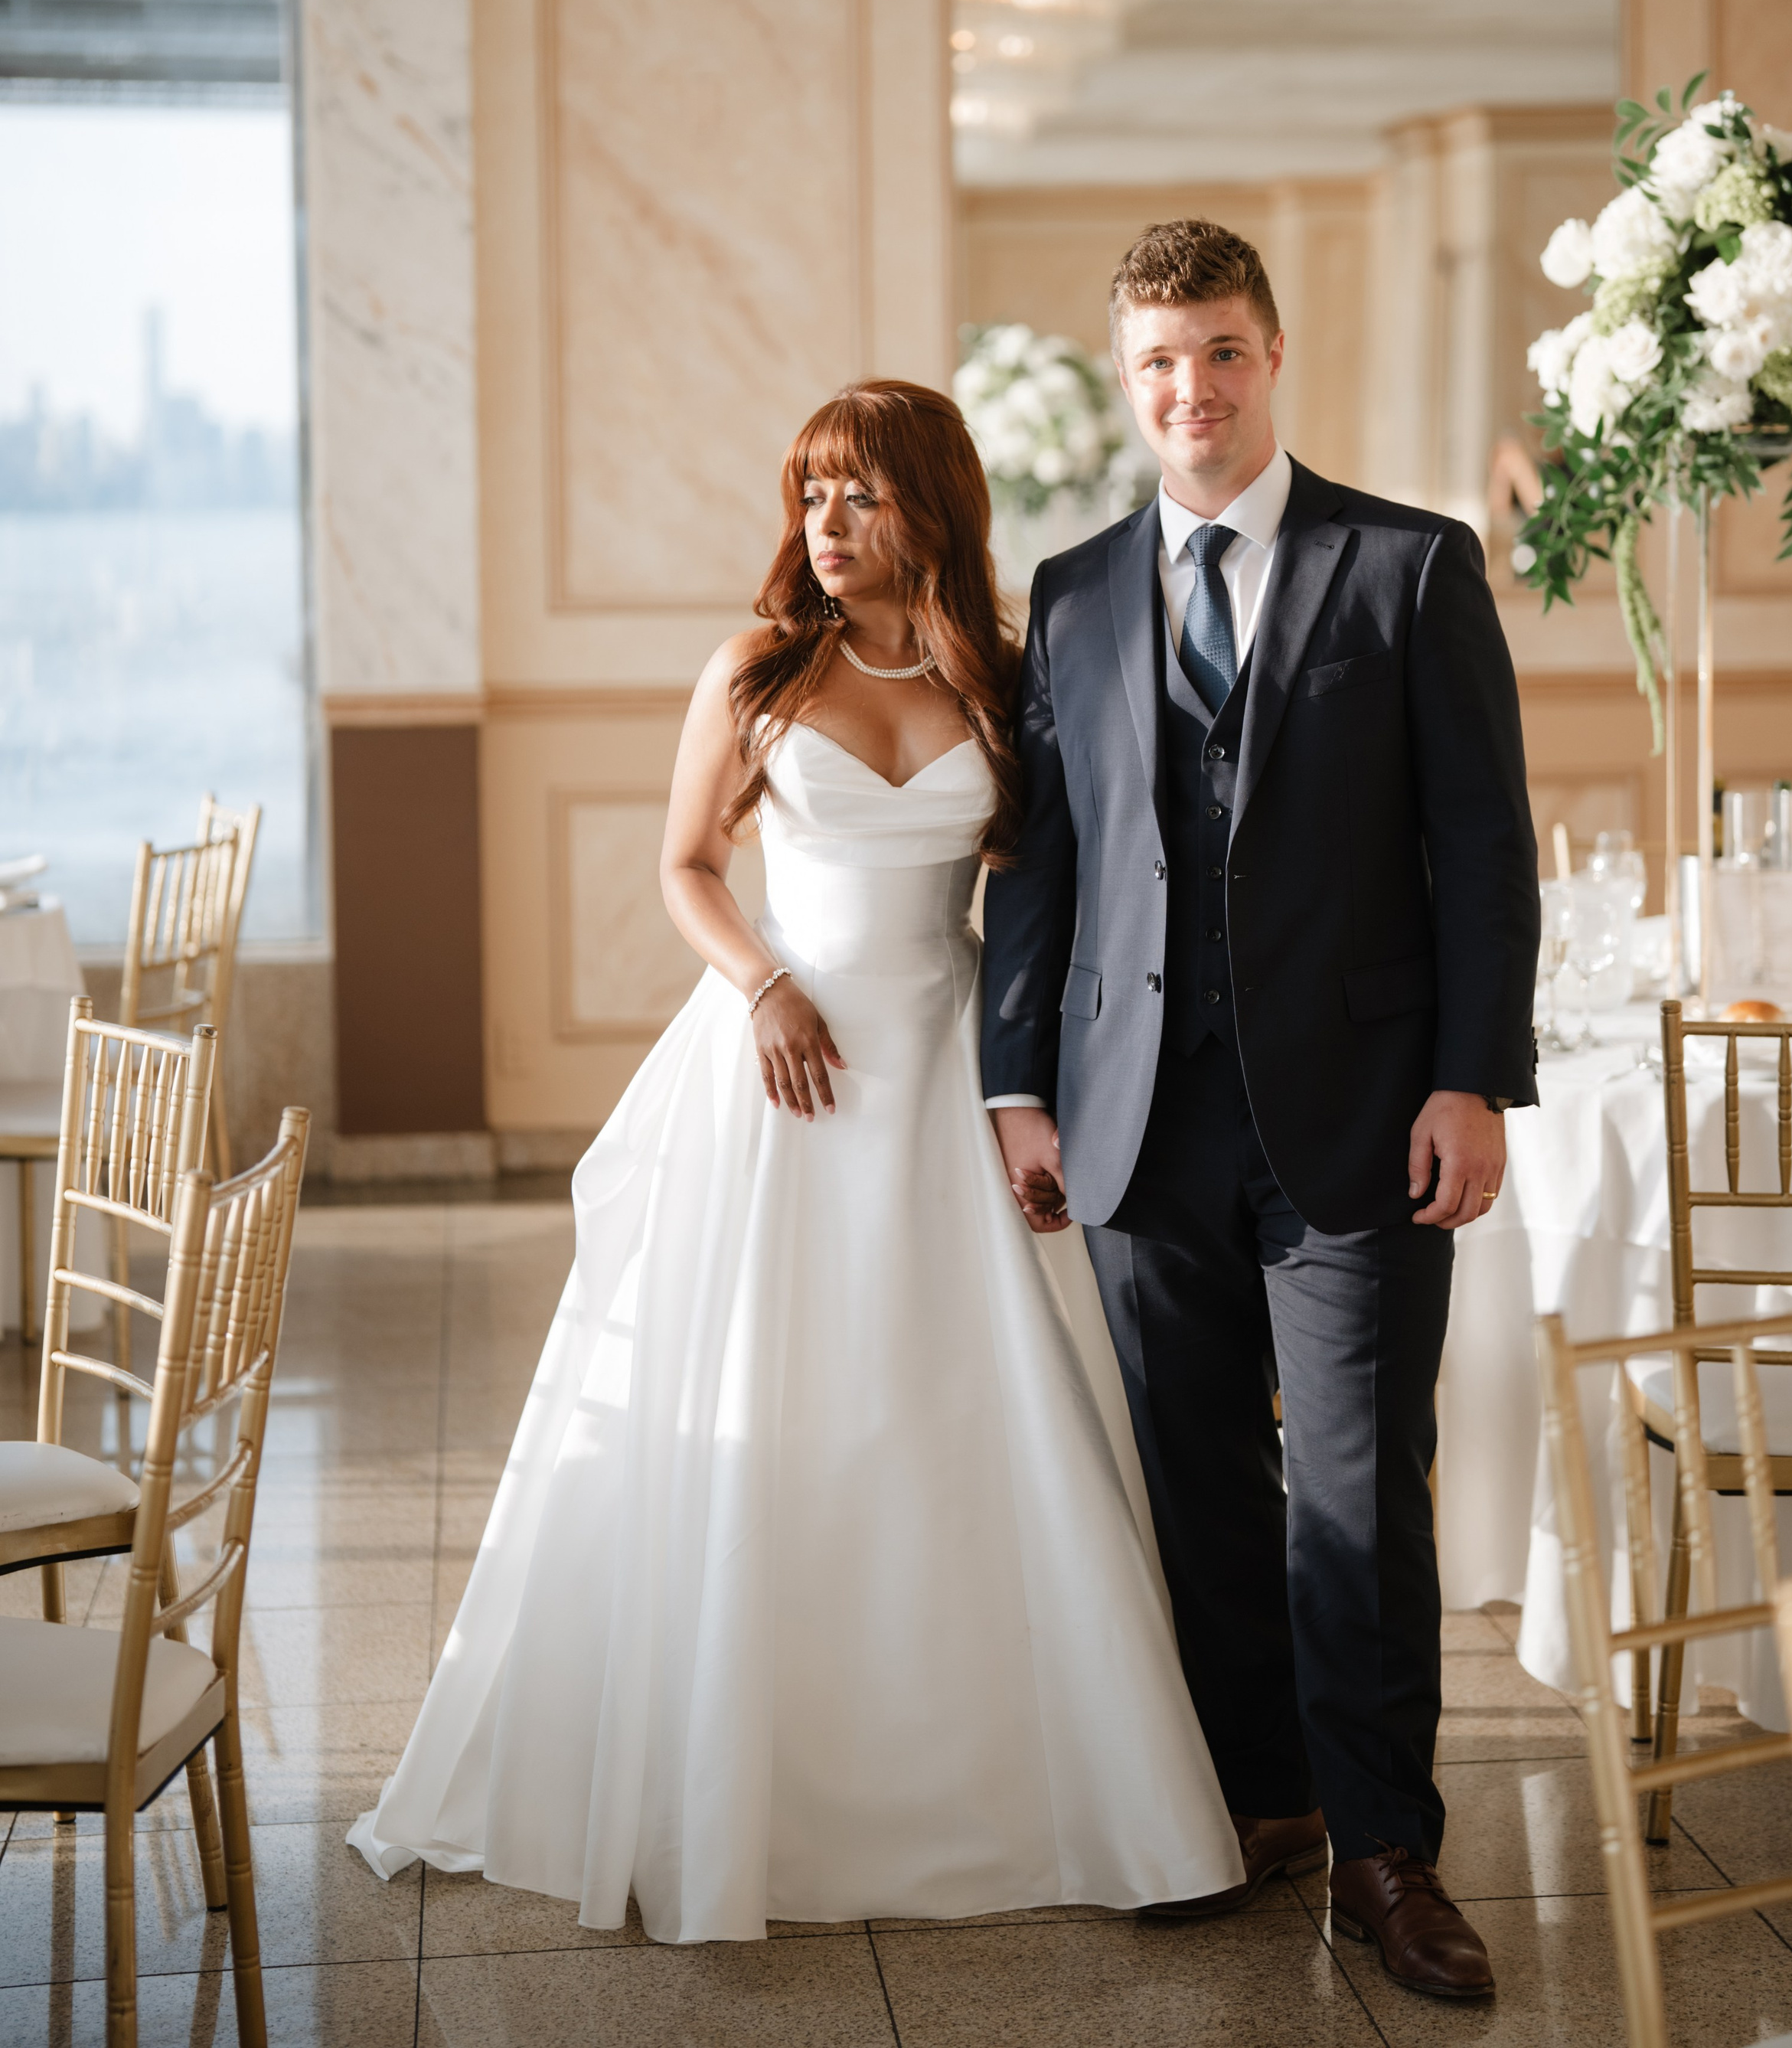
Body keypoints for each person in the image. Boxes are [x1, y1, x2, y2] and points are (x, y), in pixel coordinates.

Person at [347, 381, 1242, 1942]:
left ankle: (1003, 1777)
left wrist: (1035, 1084)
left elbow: (1046, 887)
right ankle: (738, 1778)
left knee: (960, 1404)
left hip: (945, 1064)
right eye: (812, 495)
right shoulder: (757, 668)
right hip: (787, 1066)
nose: (826, 524)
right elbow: (686, 864)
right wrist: (761, 985)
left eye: (860, 496)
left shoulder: (1002, 676)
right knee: (765, 1390)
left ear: (930, 508)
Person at [983, 222, 1540, 2002]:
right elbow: (1039, 862)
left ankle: (1387, 1847)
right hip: (1135, 1120)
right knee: (1200, 1482)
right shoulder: (1072, 592)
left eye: (1219, 350)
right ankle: (1261, 1797)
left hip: (1364, 1116)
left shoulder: (1408, 565)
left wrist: (1471, 1074)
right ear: (1124, 375)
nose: (1190, 389)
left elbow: (1481, 848)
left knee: (1357, 1492)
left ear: (1271, 355)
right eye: (1158, 358)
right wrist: (1016, 1082)